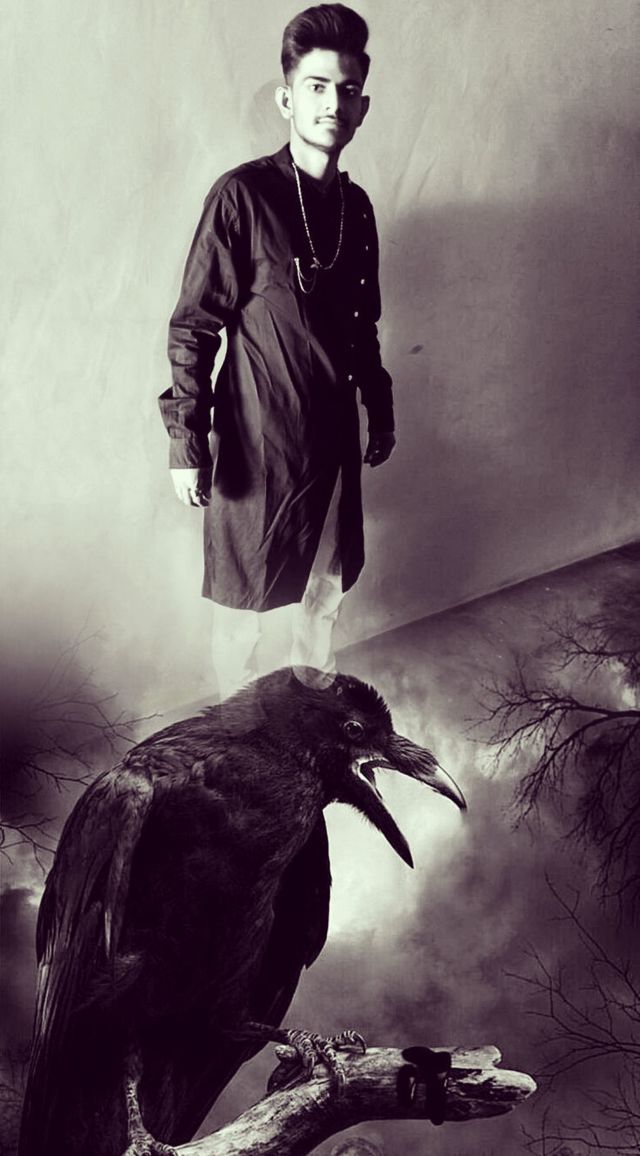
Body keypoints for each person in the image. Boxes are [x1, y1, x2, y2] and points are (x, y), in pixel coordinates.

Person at [159, 3, 395, 697]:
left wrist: (379, 410)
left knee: (325, 592)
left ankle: (313, 706)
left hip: (334, 442)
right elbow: (194, 325)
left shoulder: (358, 208)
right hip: (261, 442)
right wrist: (186, 440)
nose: (333, 104)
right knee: (243, 608)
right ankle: (233, 725)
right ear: (287, 99)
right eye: (317, 87)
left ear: (363, 108)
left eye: (347, 90)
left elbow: (365, 324)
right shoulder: (243, 196)